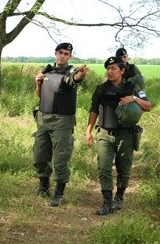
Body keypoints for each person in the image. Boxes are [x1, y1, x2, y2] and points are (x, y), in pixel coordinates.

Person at [84, 56, 152, 215]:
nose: (110, 71)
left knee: (124, 167)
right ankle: (107, 202)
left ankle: (119, 197)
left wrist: (133, 98)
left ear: (122, 71)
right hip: (104, 134)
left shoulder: (132, 87)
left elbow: (148, 106)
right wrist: (88, 131)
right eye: (108, 69)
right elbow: (94, 110)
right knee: (104, 168)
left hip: (125, 135)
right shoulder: (101, 89)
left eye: (113, 68)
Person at [32, 42, 90, 207]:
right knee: (39, 155)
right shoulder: (47, 71)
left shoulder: (71, 72)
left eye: (66, 54)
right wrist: (38, 83)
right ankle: (44, 186)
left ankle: (59, 192)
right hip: (43, 119)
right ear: (55, 53)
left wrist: (81, 74)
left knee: (60, 158)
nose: (62, 56)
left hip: (62, 121)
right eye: (60, 52)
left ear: (70, 56)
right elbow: (39, 95)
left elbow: (76, 79)